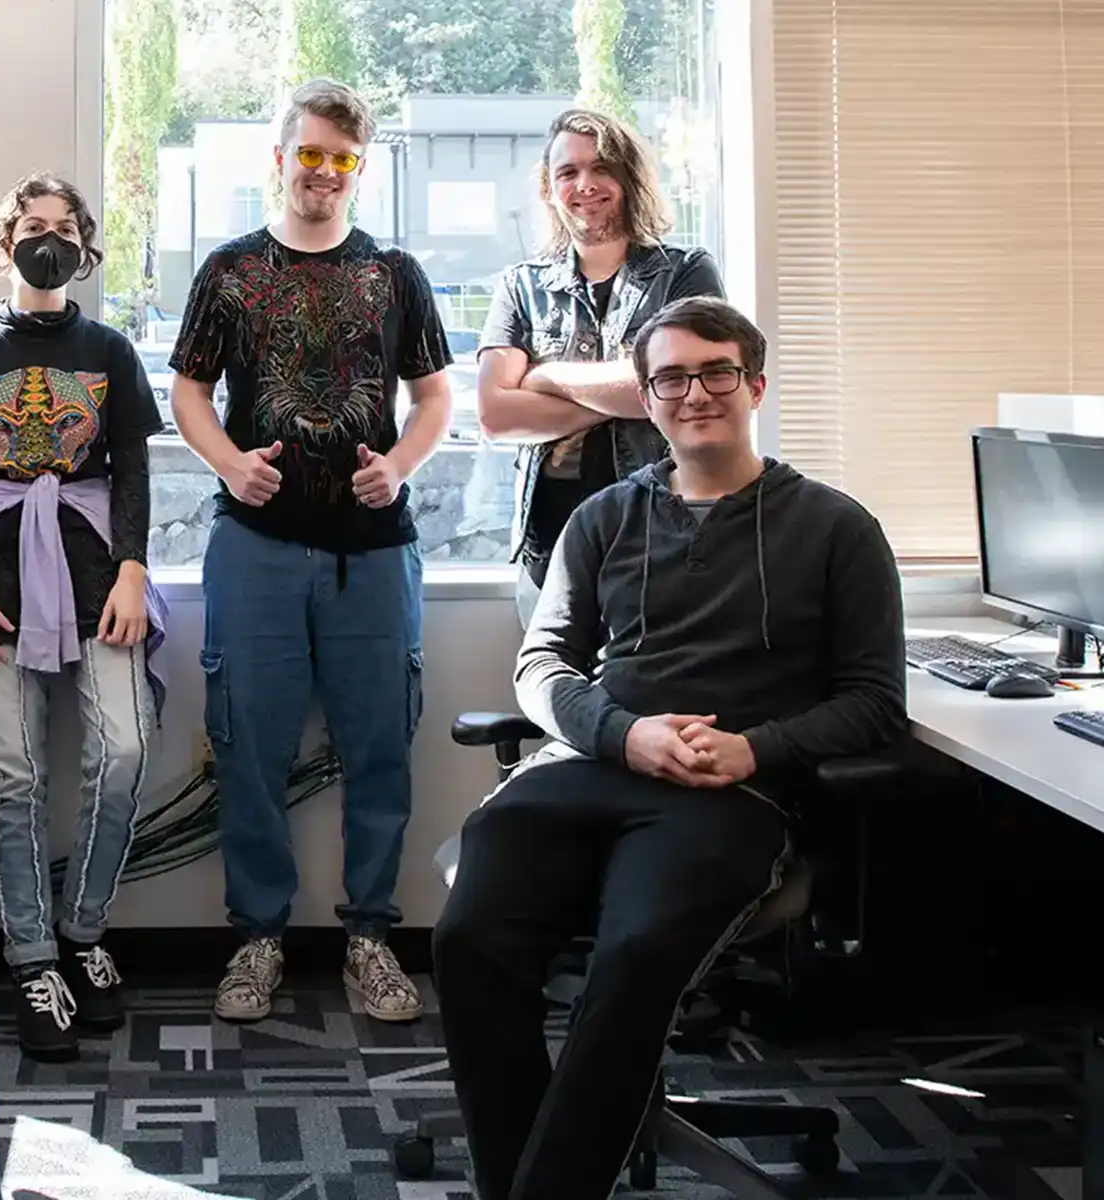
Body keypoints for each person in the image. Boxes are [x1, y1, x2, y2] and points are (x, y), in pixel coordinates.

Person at [432, 297, 907, 1200]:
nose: (696, 394)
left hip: (727, 795)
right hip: (586, 769)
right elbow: (543, 666)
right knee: (469, 943)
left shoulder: (839, 528)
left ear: (755, 384)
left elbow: (875, 702)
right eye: (671, 378)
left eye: (717, 371)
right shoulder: (605, 519)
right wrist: (622, 732)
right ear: (645, 400)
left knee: (638, 955)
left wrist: (755, 751)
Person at [168, 78, 454, 1025]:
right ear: (279, 157)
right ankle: (258, 938)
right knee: (249, 745)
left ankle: (371, 934)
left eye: (342, 159)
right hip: (255, 544)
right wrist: (228, 463)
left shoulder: (396, 275)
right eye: (310, 153)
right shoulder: (229, 272)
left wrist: (403, 466)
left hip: (373, 551)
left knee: (379, 746)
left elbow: (437, 399)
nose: (323, 172)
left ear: (356, 169)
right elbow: (189, 394)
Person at [0, 175, 167, 1062]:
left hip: (98, 569)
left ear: (86, 248)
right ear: (5, 240)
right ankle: (30, 954)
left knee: (125, 748)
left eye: (64, 229)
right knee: (16, 772)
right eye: (32, 226)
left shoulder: (110, 349)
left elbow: (133, 467)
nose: (47, 240)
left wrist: (135, 569)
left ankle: (85, 927)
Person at [475, 108, 726, 628]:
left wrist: (546, 380)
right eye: (568, 173)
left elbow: (680, 393)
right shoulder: (521, 287)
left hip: (661, 542)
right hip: (549, 553)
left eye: (601, 167)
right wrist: (630, 389)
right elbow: (495, 413)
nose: (585, 185)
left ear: (628, 177)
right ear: (550, 188)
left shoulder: (685, 273)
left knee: (652, 702)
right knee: (557, 702)